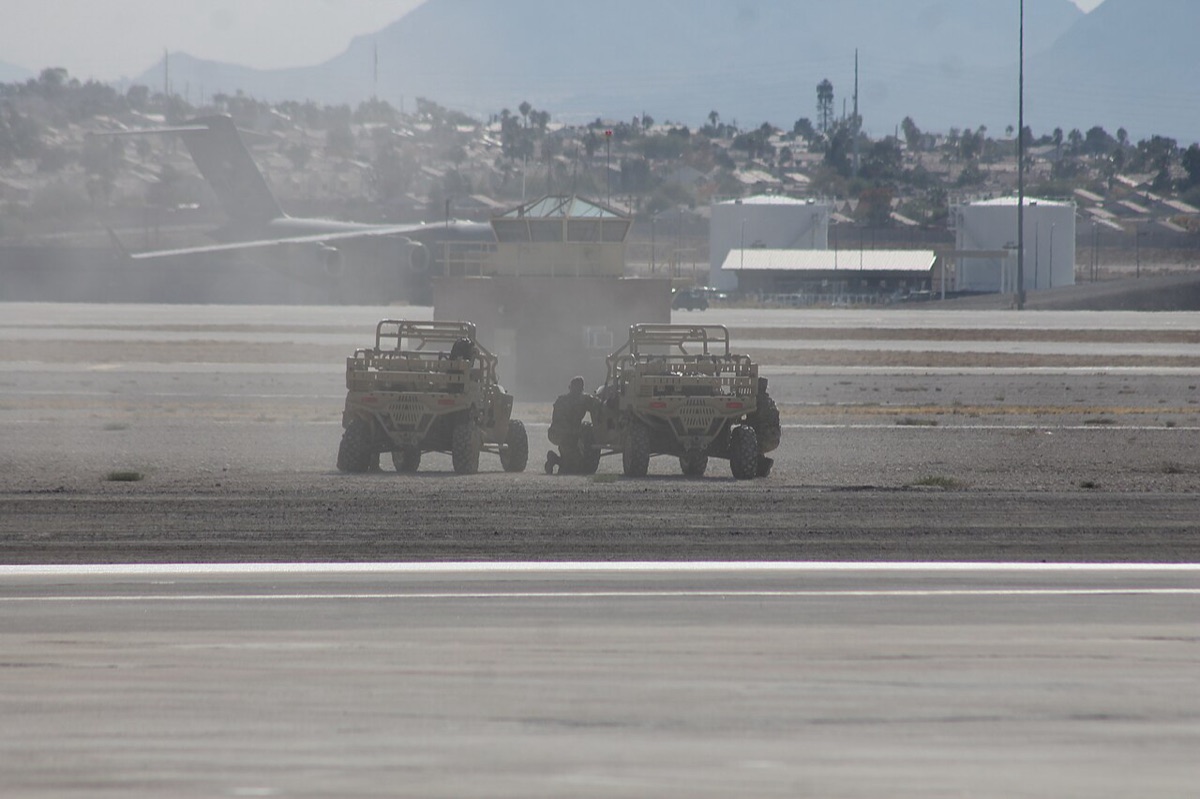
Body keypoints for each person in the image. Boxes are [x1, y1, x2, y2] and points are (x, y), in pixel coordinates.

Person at [545, 375, 600, 474]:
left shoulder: (561, 399)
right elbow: (597, 405)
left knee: (571, 460)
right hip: (568, 435)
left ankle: (556, 459)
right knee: (573, 467)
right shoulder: (582, 399)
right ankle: (556, 459)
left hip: (555, 433)